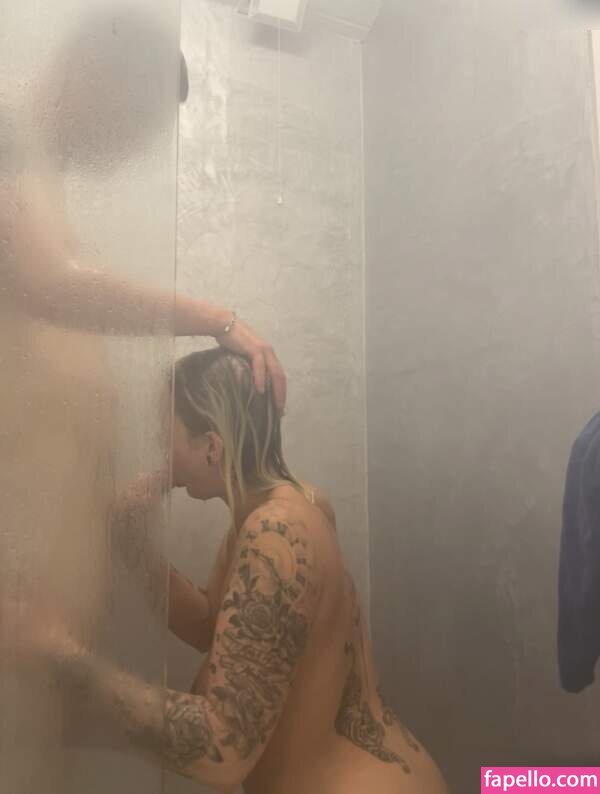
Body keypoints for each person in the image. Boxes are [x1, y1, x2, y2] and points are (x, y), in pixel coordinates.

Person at [15, 348, 449, 794]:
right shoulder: (291, 507)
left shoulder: (274, 533)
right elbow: (213, 624)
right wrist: (133, 544)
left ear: (211, 446)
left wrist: (62, 653)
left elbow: (221, 747)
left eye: (167, 437)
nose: (163, 454)